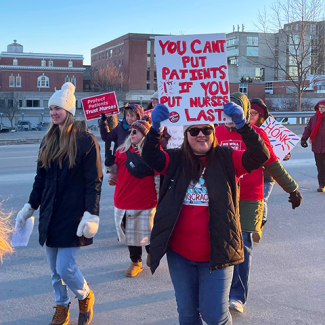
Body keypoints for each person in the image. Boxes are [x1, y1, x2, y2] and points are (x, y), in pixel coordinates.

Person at [142, 102, 270, 325]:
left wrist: (243, 126)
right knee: (188, 314)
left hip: (219, 253)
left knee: (215, 316)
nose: (201, 134)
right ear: (185, 135)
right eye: (194, 130)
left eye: (207, 129)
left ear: (213, 132)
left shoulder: (227, 158)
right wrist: (155, 130)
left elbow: (259, 155)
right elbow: (151, 157)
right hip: (180, 256)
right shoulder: (175, 160)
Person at [15, 82, 103, 325]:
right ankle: (61, 306)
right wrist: (30, 207)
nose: (53, 112)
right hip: (50, 215)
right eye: (51, 108)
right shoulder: (47, 141)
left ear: (69, 110)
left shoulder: (85, 141)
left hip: (73, 216)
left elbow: (93, 181)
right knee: (55, 271)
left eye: (58, 108)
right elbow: (40, 179)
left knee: (66, 267)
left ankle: (85, 295)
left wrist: (91, 214)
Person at [215, 92, 302, 314]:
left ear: (244, 112)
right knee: (221, 244)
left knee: (243, 244)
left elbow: (272, 163)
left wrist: (292, 188)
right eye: (228, 108)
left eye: (236, 109)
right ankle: (218, 288)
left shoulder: (257, 134)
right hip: (222, 196)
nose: (230, 114)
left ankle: (237, 296)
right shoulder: (214, 132)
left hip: (250, 198)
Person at [113, 119, 158, 277]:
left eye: (135, 132)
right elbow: (114, 175)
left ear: (144, 135)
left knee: (147, 232)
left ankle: (152, 253)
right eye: (130, 131)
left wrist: (160, 198)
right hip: (123, 199)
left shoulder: (153, 153)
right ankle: (135, 262)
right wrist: (109, 166)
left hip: (145, 201)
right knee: (129, 234)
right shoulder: (121, 151)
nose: (131, 134)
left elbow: (158, 178)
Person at [249, 98, 291, 242]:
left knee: (262, 199)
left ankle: (260, 225)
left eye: (254, 113)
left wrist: (285, 154)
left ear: (261, 115)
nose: (251, 116)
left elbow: (282, 150)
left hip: (267, 174)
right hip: (249, 174)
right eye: (248, 113)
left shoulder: (272, 130)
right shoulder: (243, 130)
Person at [100, 104, 144, 185]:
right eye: (127, 115)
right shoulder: (120, 127)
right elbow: (106, 137)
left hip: (137, 164)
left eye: (132, 116)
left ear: (139, 117)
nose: (129, 118)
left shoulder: (142, 129)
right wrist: (103, 122)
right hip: (121, 163)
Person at [301, 99, 325, 192]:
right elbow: (308, 129)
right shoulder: (314, 118)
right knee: (320, 167)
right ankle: (321, 185)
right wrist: (304, 139)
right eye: (320, 107)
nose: (322, 109)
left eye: (323, 107)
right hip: (317, 147)